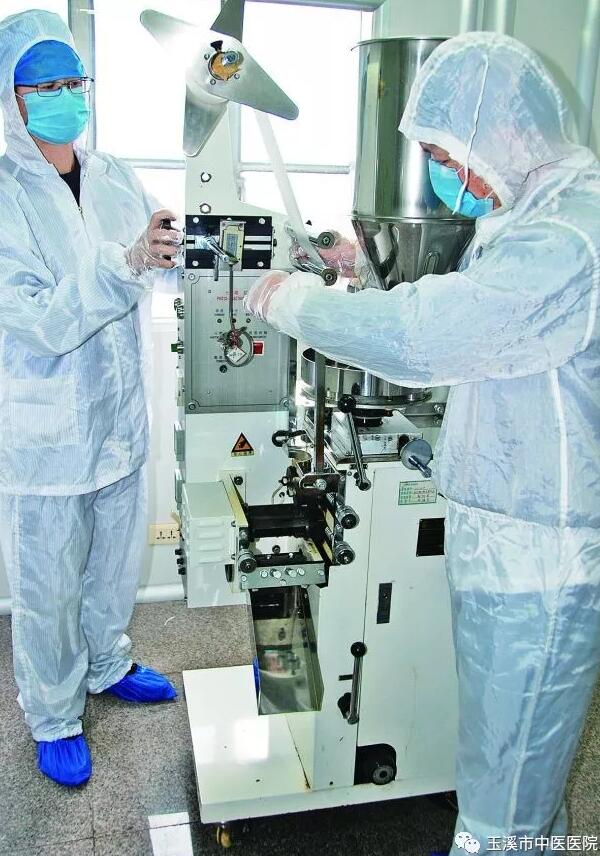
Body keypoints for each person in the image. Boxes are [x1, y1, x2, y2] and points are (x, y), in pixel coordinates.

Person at [246, 32, 600, 854]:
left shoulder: (570, 235)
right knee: (510, 767)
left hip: (540, 555)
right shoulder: (527, 212)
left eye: (444, 155)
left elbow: (427, 335)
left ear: (496, 131)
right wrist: (360, 267)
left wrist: (296, 303)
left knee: (509, 791)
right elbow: (473, 310)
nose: (443, 175)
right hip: (508, 532)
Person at [0, 10, 182, 788]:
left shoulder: (114, 177)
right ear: (12, 99)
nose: (66, 97)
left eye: (74, 81)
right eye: (46, 86)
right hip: (47, 431)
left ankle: (108, 663)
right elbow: (41, 321)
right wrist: (125, 261)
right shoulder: (5, 194)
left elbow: (157, 259)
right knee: (47, 582)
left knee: (114, 560)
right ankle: (52, 713)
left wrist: (186, 251)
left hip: (117, 416)